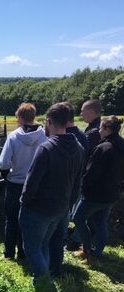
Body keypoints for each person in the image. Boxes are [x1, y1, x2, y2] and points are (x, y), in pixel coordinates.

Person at [19, 103, 84, 283]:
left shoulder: (46, 148)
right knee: (44, 244)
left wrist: (24, 203)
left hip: (38, 208)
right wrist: (69, 205)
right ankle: (42, 279)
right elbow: (78, 183)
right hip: (61, 208)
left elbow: (31, 183)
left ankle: (45, 284)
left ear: (48, 122)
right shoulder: (78, 148)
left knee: (31, 247)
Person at [0, 103, 47, 259]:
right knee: (27, 221)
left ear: (19, 117)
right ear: (34, 116)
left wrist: (8, 175)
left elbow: (4, 163)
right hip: (35, 184)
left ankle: (8, 253)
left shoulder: (13, 136)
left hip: (15, 183)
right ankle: (23, 252)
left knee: (11, 219)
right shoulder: (44, 136)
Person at [73, 116, 124, 259]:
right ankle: (98, 252)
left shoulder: (103, 148)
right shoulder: (121, 145)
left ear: (107, 129)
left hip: (95, 194)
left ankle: (87, 249)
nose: (99, 130)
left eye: (101, 128)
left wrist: (83, 189)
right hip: (112, 193)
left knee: (77, 219)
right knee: (101, 222)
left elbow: (91, 173)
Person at [50, 102, 88, 264]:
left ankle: (52, 262)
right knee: (62, 224)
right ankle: (58, 259)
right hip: (72, 187)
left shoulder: (57, 140)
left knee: (55, 228)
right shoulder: (81, 137)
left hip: (59, 188)